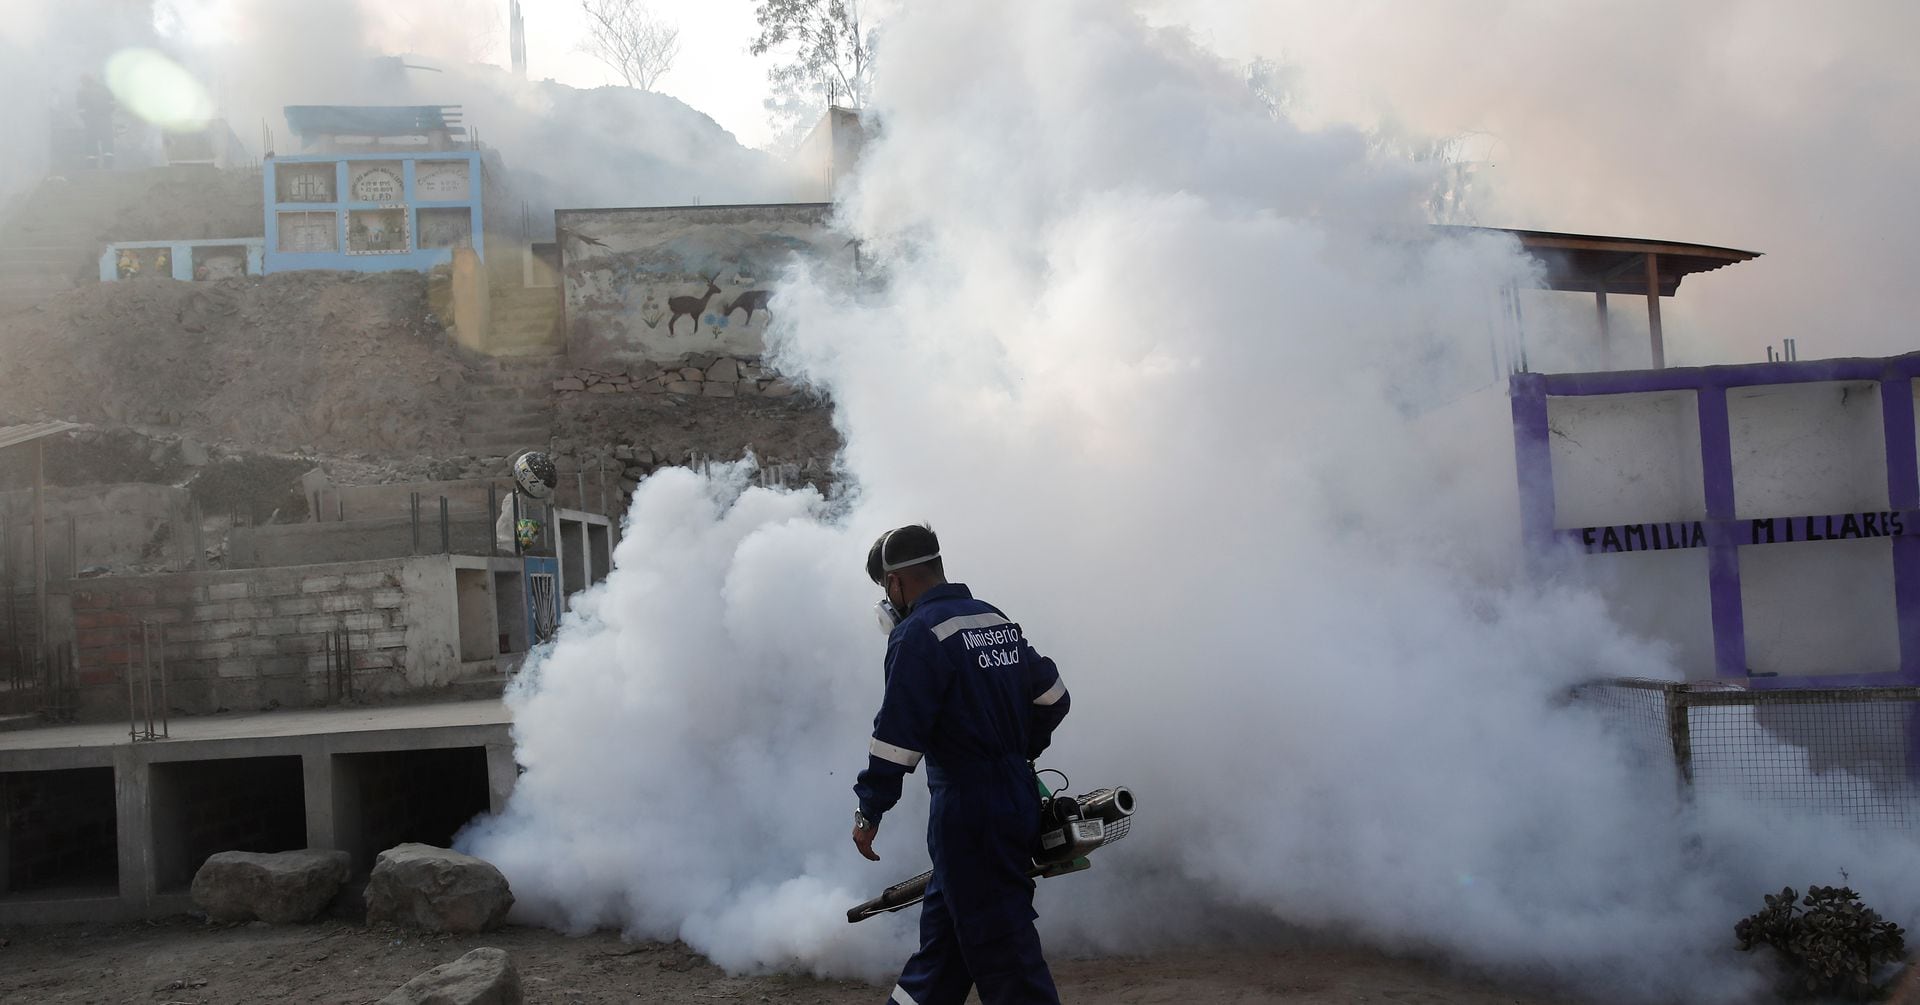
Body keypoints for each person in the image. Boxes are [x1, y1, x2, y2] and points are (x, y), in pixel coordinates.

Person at [852, 525, 1071, 1005]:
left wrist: (870, 810)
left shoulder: (916, 636)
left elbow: (895, 740)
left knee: (1007, 957)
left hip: (969, 813)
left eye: (885, 587)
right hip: (1014, 795)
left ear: (895, 583)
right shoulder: (992, 618)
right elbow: (1054, 697)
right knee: (941, 960)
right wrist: (1018, 751)